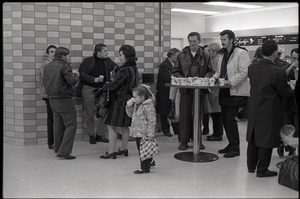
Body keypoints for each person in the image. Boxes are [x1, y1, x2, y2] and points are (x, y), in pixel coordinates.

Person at [246, 40, 294, 177]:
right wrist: (291, 88)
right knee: (266, 139)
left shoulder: (252, 67)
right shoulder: (278, 72)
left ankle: (251, 166)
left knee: (254, 138)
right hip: (270, 109)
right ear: (275, 53)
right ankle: (262, 170)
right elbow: (285, 93)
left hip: (255, 106)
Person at [210, 29, 251, 158]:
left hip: (236, 91)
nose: (222, 42)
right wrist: (213, 78)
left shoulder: (241, 53)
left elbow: (244, 72)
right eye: (221, 40)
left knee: (229, 118)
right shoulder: (222, 55)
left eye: (224, 39)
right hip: (224, 90)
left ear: (231, 40)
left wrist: (230, 82)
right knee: (224, 119)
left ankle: (235, 147)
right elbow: (218, 71)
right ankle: (231, 144)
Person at [173, 32, 212, 150]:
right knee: (184, 115)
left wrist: (205, 79)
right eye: (190, 41)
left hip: (200, 90)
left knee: (198, 116)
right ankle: (184, 141)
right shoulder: (181, 55)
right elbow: (175, 71)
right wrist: (184, 79)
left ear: (199, 41)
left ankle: (198, 140)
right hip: (185, 89)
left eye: (194, 41)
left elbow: (210, 71)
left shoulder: (205, 55)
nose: (192, 43)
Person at [100, 44, 139, 159]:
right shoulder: (134, 68)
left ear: (127, 56)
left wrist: (105, 86)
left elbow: (115, 85)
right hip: (129, 100)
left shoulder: (124, 69)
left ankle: (111, 151)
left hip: (119, 100)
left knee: (110, 125)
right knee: (124, 126)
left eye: (121, 55)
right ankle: (123, 149)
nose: (119, 57)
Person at [43, 47, 80, 159]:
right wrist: (76, 75)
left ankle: (58, 148)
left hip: (52, 99)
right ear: (63, 56)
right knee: (71, 124)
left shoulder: (48, 66)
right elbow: (72, 81)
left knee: (58, 124)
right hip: (64, 98)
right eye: (68, 56)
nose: (69, 58)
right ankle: (64, 151)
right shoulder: (64, 65)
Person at [78, 43, 117, 144]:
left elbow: (116, 68)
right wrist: (94, 79)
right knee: (89, 113)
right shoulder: (88, 61)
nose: (107, 52)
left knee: (103, 112)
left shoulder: (108, 61)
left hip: (103, 89)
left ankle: (100, 134)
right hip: (88, 88)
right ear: (98, 52)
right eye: (105, 51)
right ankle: (91, 135)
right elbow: (81, 74)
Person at [125, 85, 156, 174]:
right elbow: (130, 115)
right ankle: (150, 161)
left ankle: (144, 168)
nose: (133, 99)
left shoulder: (148, 106)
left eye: (135, 97)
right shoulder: (137, 105)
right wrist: (128, 107)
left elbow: (152, 121)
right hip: (137, 131)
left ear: (142, 98)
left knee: (142, 151)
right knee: (144, 149)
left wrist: (150, 134)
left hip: (144, 133)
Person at [156, 48, 180, 137]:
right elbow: (167, 78)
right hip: (164, 91)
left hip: (172, 90)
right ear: (172, 55)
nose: (178, 58)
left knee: (173, 109)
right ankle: (166, 130)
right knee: (164, 111)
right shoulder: (164, 65)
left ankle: (176, 129)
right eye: (177, 56)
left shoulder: (175, 64)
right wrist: (177, 79)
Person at [204, 42, 224, 141]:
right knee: (215, 113)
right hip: (214, 88)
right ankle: (216, 133)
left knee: (217, 113)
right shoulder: (212, 59)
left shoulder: (218, 59)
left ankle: (218, 134)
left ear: (215, 51)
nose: (208, 52)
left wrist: (211, 78)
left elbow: (218, 72)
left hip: (217, 88)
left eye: (209, 51)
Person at [39, 45, 57, 149]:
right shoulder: (46, 64)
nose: (54, 53)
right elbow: (47, 78)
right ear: (47, 54)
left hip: (51, 93)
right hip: (48, 94)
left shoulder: (53, 64)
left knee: (53, 117)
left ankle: (53, 141)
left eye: (55, 51)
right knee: (52, 117)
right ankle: (51, 142)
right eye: (51, 52)